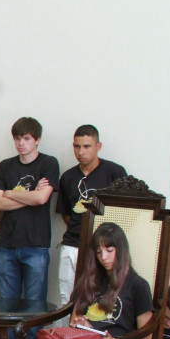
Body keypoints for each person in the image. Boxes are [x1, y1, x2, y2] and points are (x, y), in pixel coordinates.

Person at [35, 222, 153, 339]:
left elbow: (146, 336)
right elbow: (74, 322)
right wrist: (81, 324)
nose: (103, 257)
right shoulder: (89, 280)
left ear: (121, 250)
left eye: (109, 250)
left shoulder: (138, 285)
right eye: (98, 252)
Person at [0, 117, 60, 339]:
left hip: (36, 245)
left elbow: (42, 199)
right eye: (18, 138)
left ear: (37, 139)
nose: (21, 143)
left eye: (27, 138)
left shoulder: (49, 163)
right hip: (7, 245)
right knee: (8, 305)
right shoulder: (6, 165)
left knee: (34, 306)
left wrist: (11, 194)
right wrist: (28, 196)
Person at [55, 125, 126, 305]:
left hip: (103, 247)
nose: (81, 152)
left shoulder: (115, 173)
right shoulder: (68, 177)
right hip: (72, 244)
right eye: (77, 146)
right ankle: (67, 333)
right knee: (67, 297)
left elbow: (124, 211)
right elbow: (66, 214)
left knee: (99, 298)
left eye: (86, 146)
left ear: (98, 146)